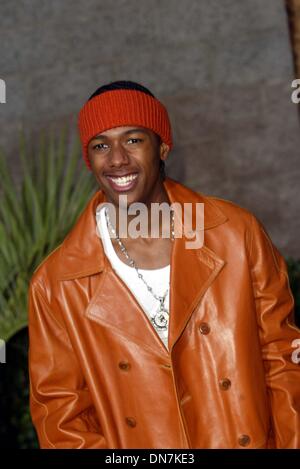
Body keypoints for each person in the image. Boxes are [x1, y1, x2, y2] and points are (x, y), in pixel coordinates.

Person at [28, 80, 300, 449]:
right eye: (100, 145)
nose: (117, 158)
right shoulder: (56, 282)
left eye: (134, 139)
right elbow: (62, 418)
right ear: (88, 159)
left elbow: (283, 362)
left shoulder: (235, 234)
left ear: (163, 147)